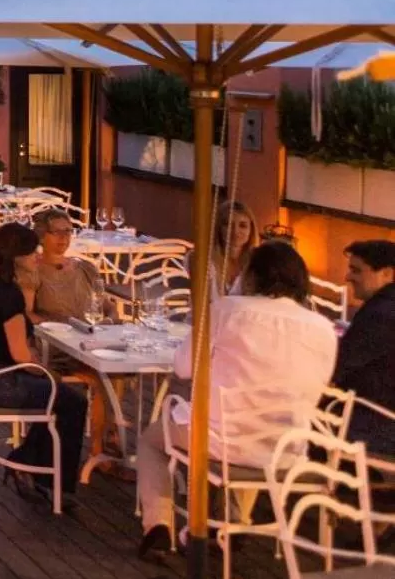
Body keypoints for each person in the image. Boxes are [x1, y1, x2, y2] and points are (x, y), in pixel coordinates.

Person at [137, 240, 338, 559]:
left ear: (253, 276)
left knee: (152, 441)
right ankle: (233, 525)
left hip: (222, 440)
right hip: (283, 448)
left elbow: (183, 366)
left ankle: (158, 524)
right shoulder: (324, 328)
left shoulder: (227, 310)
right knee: (245, 427)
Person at [0, 223, 87, 503]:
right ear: (17, 257)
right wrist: (48, 372)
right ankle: (50, 482)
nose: (38, 257)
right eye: (33, 252)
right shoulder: (10, 295)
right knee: (72, 401)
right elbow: (21, 356)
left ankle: (26, 461)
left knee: (56, 394)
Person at [26, 209, 115, 461]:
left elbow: (104, 303)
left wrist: (112, 314)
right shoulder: (33, 270)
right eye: (57, 232)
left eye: (68, 231)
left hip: (91, 341)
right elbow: (27, 314)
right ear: (42, 236)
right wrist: (61, 326)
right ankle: (103, 447)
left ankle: (107, 443)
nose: (64, 238)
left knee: (118, 370)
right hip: (56, 348)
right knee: (104, 375)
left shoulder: (84, 268)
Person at [334, 239, 395, 455]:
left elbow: (337, 367)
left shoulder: (381, 314)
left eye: (356, 270)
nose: (347, 277)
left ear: (387, 274)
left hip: (377, 426)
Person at [198, 199, 259, 297]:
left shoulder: (258, 262)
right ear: (218, 227)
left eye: (242, 226)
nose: (235, 231)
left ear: (251, 230)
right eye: (228, 224)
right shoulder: (206, 260)